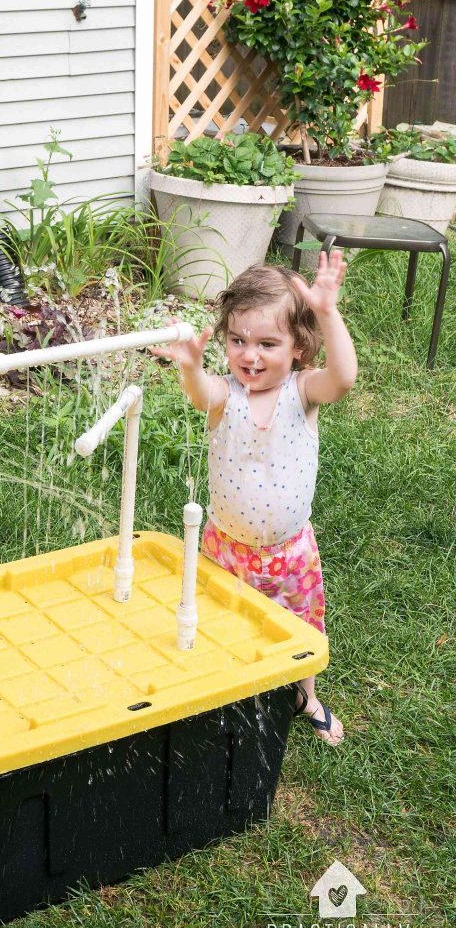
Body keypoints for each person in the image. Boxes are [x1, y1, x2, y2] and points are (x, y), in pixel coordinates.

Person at [152, 251, 357, 745]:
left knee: (301, 631)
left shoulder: (302, 391)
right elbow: (202, 395)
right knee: (222, 626)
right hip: (226, 550)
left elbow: (344, 378)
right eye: (238, 340)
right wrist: (191, 368)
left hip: (291, 553)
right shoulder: (225, 394)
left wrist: (327, 312)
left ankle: (304, 696)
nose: (251, 355)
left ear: (298, 348)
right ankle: (226, 696)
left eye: (268, 343)